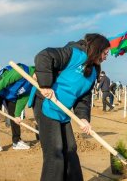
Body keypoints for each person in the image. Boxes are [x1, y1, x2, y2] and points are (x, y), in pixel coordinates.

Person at [32, 33, 110, 181]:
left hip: (63, 112)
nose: (106, 57)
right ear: (97, 49)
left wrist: (84, 118)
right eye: (105, 53)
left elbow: (83, 98)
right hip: (47, 106)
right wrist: (46, 85)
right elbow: (44, 56)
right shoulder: (75, 54)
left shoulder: (93, 72)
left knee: (70, 152)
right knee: (55, 154)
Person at [0, 65, 33, 151]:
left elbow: (23, 98)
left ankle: (16, 141)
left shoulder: (34, 82)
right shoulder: (21, 71)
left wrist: (17, 115)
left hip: (10, 92)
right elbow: (3, 82)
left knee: (14, 115)